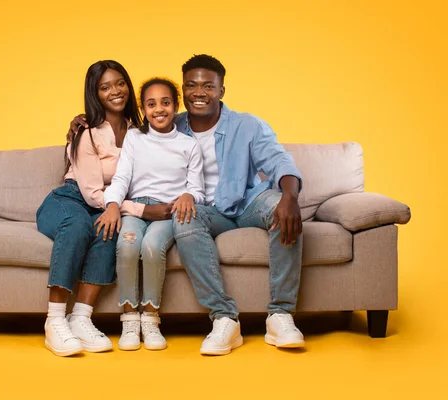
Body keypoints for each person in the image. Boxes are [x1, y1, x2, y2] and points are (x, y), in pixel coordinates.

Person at [69, 54, 305, 356]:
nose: (199, 92)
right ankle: (223, 319)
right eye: (192, 85)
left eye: (208, 86)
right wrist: (84, 121)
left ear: (222, 90)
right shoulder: (171, 124)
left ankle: (281, 316)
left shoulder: (247, 125)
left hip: (246, 201)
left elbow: (279, 160)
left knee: (278, 207)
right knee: (183, 217)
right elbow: (132, 132)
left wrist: (290, 196)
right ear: (183, 92)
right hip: (204, 210)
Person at [36, 60, 145, 357]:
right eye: (105, 87)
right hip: (70, 199)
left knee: (110, 230)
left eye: (120, 83)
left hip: (102, 206)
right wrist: (137, 210)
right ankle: (55, 321)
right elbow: (90, 191)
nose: (116, 91)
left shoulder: (139, 131)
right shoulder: (88, 132)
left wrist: (117, 210)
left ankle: (81, 318)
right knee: (80, 225)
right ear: (94, 94)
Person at [98, 78, 204, 351]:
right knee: (128, 242)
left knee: (152, 246)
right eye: (151, 103)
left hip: (168, 211)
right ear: (143, 109)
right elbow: (121, 178)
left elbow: (197, 189)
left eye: (166, 102)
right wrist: (112, 203)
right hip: (136, 206)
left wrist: (188, 196)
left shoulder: (188, 145)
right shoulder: (135, 137)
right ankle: (130, 319)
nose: (159, 109)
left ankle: (151, 319)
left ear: (176, 105)